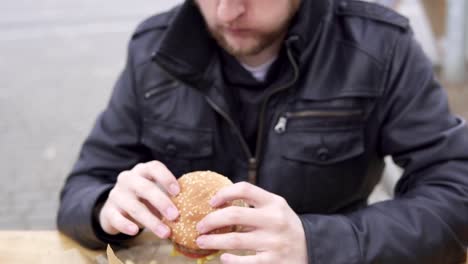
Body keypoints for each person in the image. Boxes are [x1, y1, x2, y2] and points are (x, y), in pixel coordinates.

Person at [57, 0, 468, 263]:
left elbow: (455, 193)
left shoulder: (380, 46)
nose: (226, 12)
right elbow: (82, 187)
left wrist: (318, 243)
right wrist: (103, 208)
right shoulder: (154, 49)